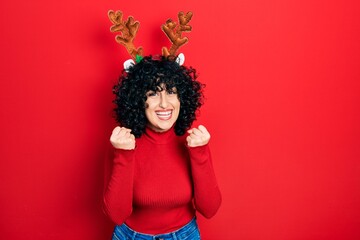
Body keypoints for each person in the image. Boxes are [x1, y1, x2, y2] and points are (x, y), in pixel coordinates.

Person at [103, 55, 222, 240]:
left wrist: (200, 153)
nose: (164, 103)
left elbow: (210, 209)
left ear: (181, 98)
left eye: (171, 92)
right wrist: (123, 154)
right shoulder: (122, 142)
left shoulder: (192, 141)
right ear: (138, 100)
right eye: (153, 94)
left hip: (185, 235)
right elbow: (117, 215)